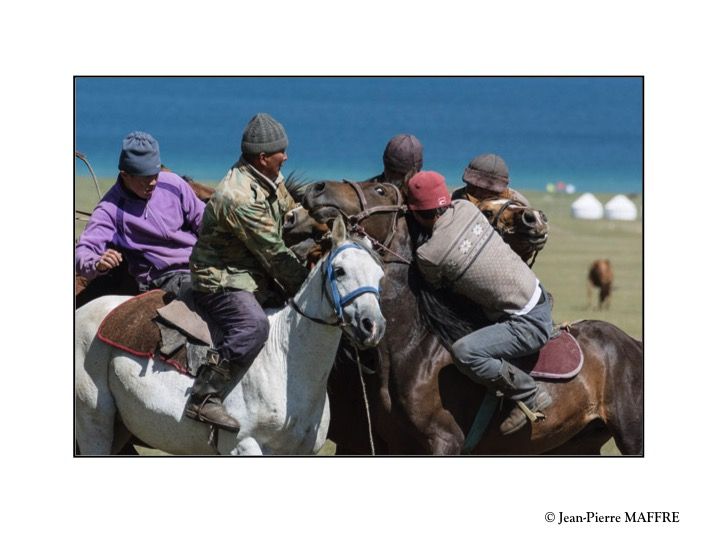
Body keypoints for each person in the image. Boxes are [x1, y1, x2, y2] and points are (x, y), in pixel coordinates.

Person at [186, 113, 309, 431]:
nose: (287, 157)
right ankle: (204, 396)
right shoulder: (238, 197)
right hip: (222, 279)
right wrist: (306, 284)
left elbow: (292, 211)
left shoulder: (269, 177)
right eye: (281, 152)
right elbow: (274, 253)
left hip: (250, 271)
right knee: (253, 327)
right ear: (263, 157)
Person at [407, 171, 553, 435]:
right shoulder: (465, 208)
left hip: (528, 323)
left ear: (416, 213)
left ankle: (529, 393)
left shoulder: (428, 254)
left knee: (466, 352)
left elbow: (437, 286)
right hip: (537, 293)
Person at [75, 131, 205, 296]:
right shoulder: (110, 209)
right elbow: (84, 251)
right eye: (145, 178)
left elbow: (204, 221)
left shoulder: (174, 184)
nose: (153, 183)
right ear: (125, 175)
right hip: (162, 278)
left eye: (155, 175)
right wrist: (97, 263)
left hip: (201, 266)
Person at [452, 153, 531, 206]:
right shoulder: (455, 198)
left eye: (487, 192)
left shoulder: (517, 202)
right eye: (473, 188)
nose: (478, 193)